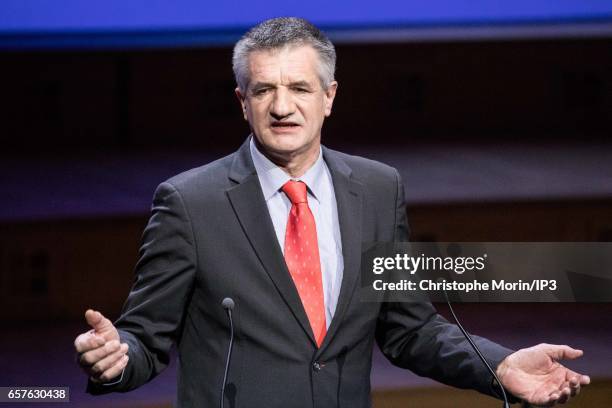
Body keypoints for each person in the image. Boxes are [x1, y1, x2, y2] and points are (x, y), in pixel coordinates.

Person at [74, 17, 589, 407]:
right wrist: (114, 360)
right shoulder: (189, 203)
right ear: (242, 101)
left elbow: (410, 329)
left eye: (299, 88)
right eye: (264, 90)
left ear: (329, 97)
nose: (282, 106)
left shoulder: (377, 188)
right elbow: (144, 338)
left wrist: (499, 366)